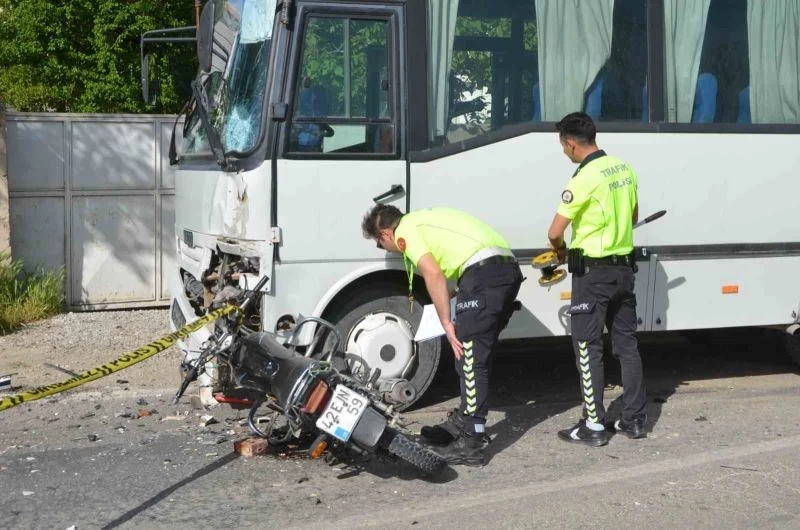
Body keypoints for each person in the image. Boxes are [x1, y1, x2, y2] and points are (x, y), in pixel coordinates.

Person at [361, 205, 523, 466]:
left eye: (379, 244)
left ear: (385, 234)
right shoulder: (424, 219)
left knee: (469, 357)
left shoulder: (406, 231)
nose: (385, 249)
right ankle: (463, 422)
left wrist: (446, 321)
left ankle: (472, 442)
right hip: (503, 270)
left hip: (484, 275)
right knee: (473, 356)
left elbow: (433, 272)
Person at [547, 112, 647, 447]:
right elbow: (632, 216)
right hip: (624, 271)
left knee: (587, 347)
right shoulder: (624, 168)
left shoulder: (583, 178)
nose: (564, 153)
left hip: (593, 275)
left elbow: (554, 232)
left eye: (563, 147)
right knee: (627, 346)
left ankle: (593, 425)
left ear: (571, 143)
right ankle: (633, 420)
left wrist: (561, 252)